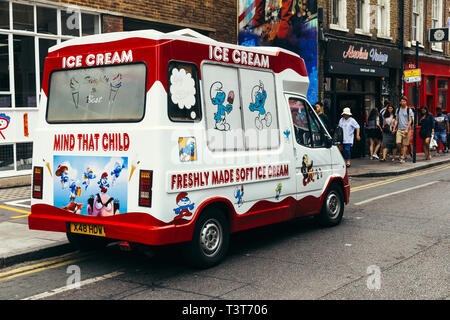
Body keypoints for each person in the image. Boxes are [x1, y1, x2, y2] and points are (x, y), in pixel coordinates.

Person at [393, 96, 414, 163]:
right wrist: (394, 128)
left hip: (406, 129)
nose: (403, 102)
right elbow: (396, 119)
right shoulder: (398, 110)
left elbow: (410, 120)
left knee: (405, 144)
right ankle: (402, 152)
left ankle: (403, 156)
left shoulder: (409, 110)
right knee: (398, 142)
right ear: (400, 102)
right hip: (399, 129)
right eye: (402, 101)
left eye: (404, 101)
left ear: (406, 102)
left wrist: (407, 129)